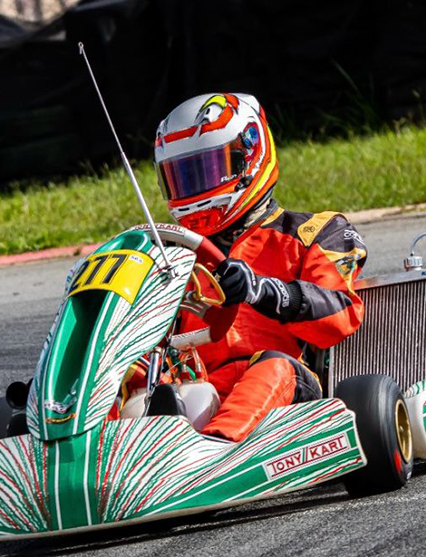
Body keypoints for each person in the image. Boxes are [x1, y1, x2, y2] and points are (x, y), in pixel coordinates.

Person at [154, 93, 368, 442]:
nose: (195, 187)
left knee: (272, 365)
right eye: (183, 177)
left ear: (248, 158)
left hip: (289, 385)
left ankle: (214, 452)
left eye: (206, 170)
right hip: (196, 387)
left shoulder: (313, 232)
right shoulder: (171, 256)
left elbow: (340, 314)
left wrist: (262, 290)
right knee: (128, 377)